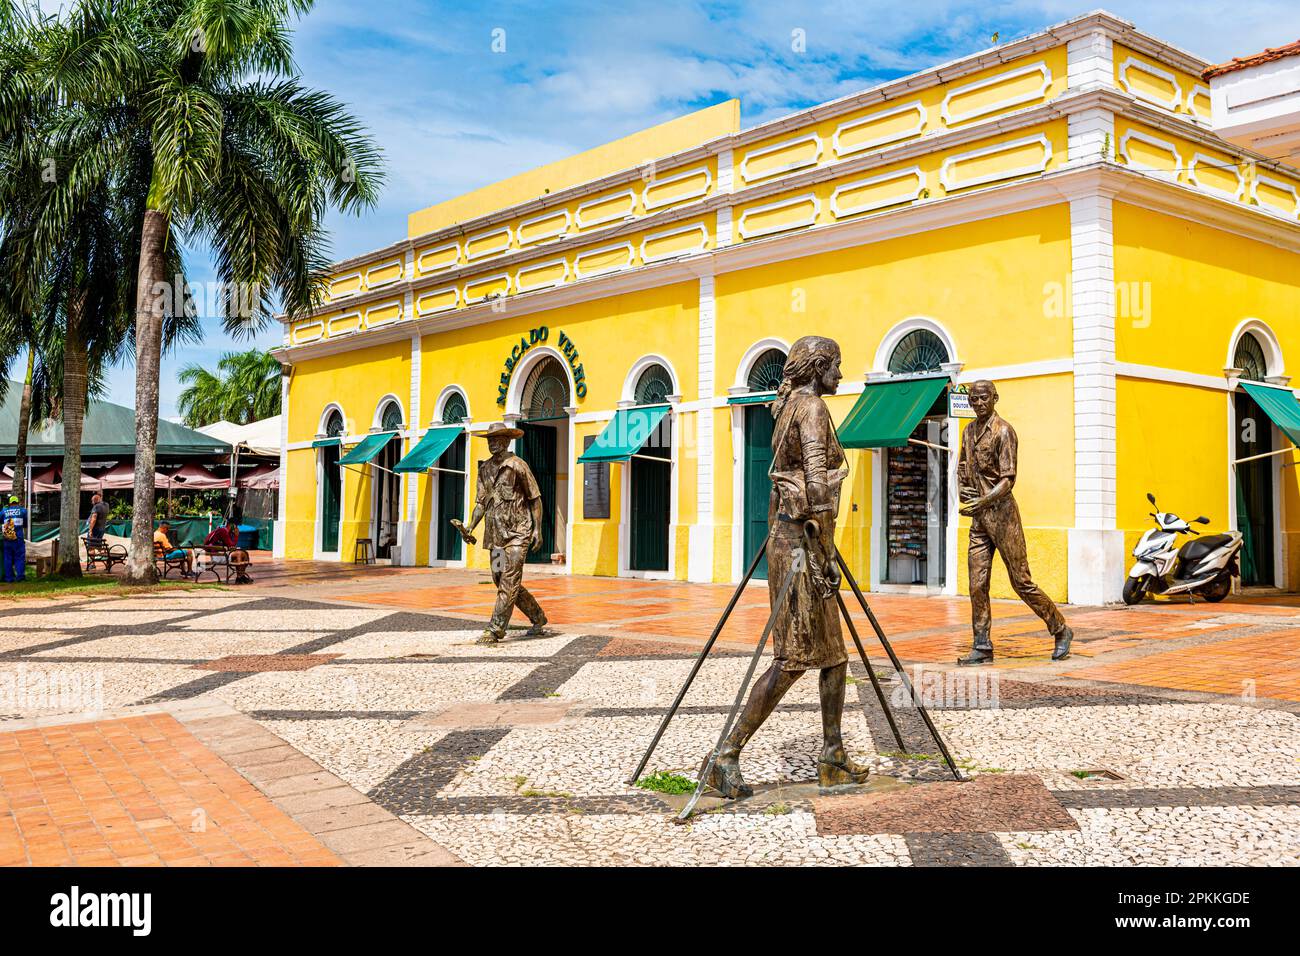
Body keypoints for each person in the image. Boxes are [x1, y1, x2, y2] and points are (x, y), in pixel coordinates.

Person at [700, 335, 871, 799]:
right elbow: (817, 488)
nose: (840, 374)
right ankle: (726, 755)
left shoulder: (787, 406)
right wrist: (828, 550)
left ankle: (833, 755)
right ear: (818, 367)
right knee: (792, 659)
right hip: (802, 544)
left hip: (797, 540)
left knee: (834, 656)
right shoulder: (812, 407)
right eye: (836, 366)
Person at [956, 379, 1073, 665]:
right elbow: (962, 467)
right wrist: (963, 491)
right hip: (979, 522)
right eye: (974, 399)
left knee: (1021, 581)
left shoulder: (1004, 431)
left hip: (1004, 517)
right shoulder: (968, 432)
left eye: (984, 398)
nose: (979, 404)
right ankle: (981, 645)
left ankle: (1060, 628)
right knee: (976, 584)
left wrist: (983, 500)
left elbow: (1008, 480)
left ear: (995, 398)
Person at [455, 422, 548, 645]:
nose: (493, 443)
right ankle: (537, 616)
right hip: (495, 535)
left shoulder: (518, 466)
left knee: (509, 579)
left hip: (518, 532)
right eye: (490, 439)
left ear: (507, 441)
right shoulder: (484, 469)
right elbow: (481, 503)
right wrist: (469, 526)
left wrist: (538, 529)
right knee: (500, 579)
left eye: (497, 439)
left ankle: (495, 629)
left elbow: (535, 498)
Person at [1, 495, 27, 583]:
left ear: (9, 503)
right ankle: (20, 577)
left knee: (7, 558)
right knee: (19, 557)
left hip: (7, 539)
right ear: (18, 502)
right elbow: (25, 523)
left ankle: (9, 578)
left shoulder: (4, 511)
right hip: (18, 538)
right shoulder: (23, 511)